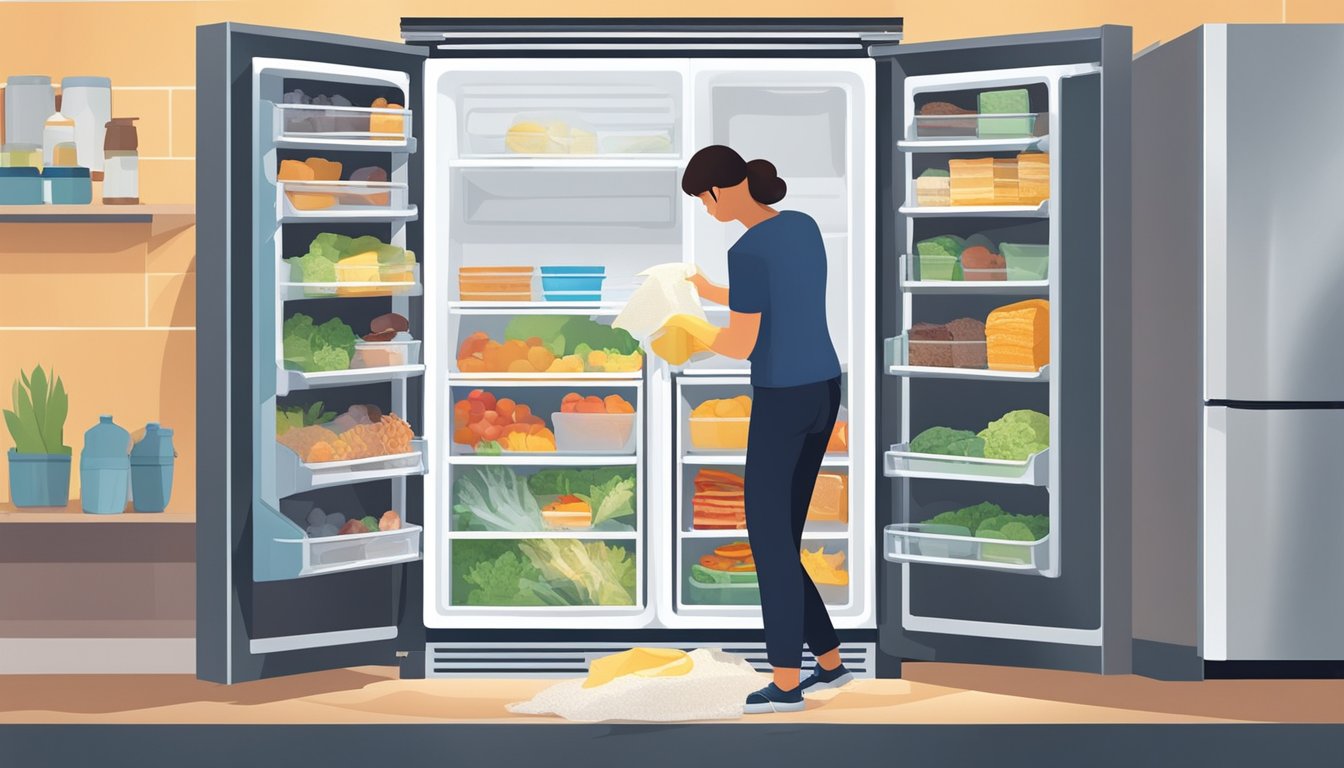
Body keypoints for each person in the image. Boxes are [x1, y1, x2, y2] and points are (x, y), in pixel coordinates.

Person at [669, 145, 854, 714]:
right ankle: (830, 663)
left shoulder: (745, 248)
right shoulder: (800, 226)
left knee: (768, 543)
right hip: (824, 389)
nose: (706, 210)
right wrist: (710, 293)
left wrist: (683, 327)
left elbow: (740, 343)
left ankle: (785, 682)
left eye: (704, 200)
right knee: (785, 536)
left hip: (781, 399)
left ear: (721, 191)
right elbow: (782, 297)